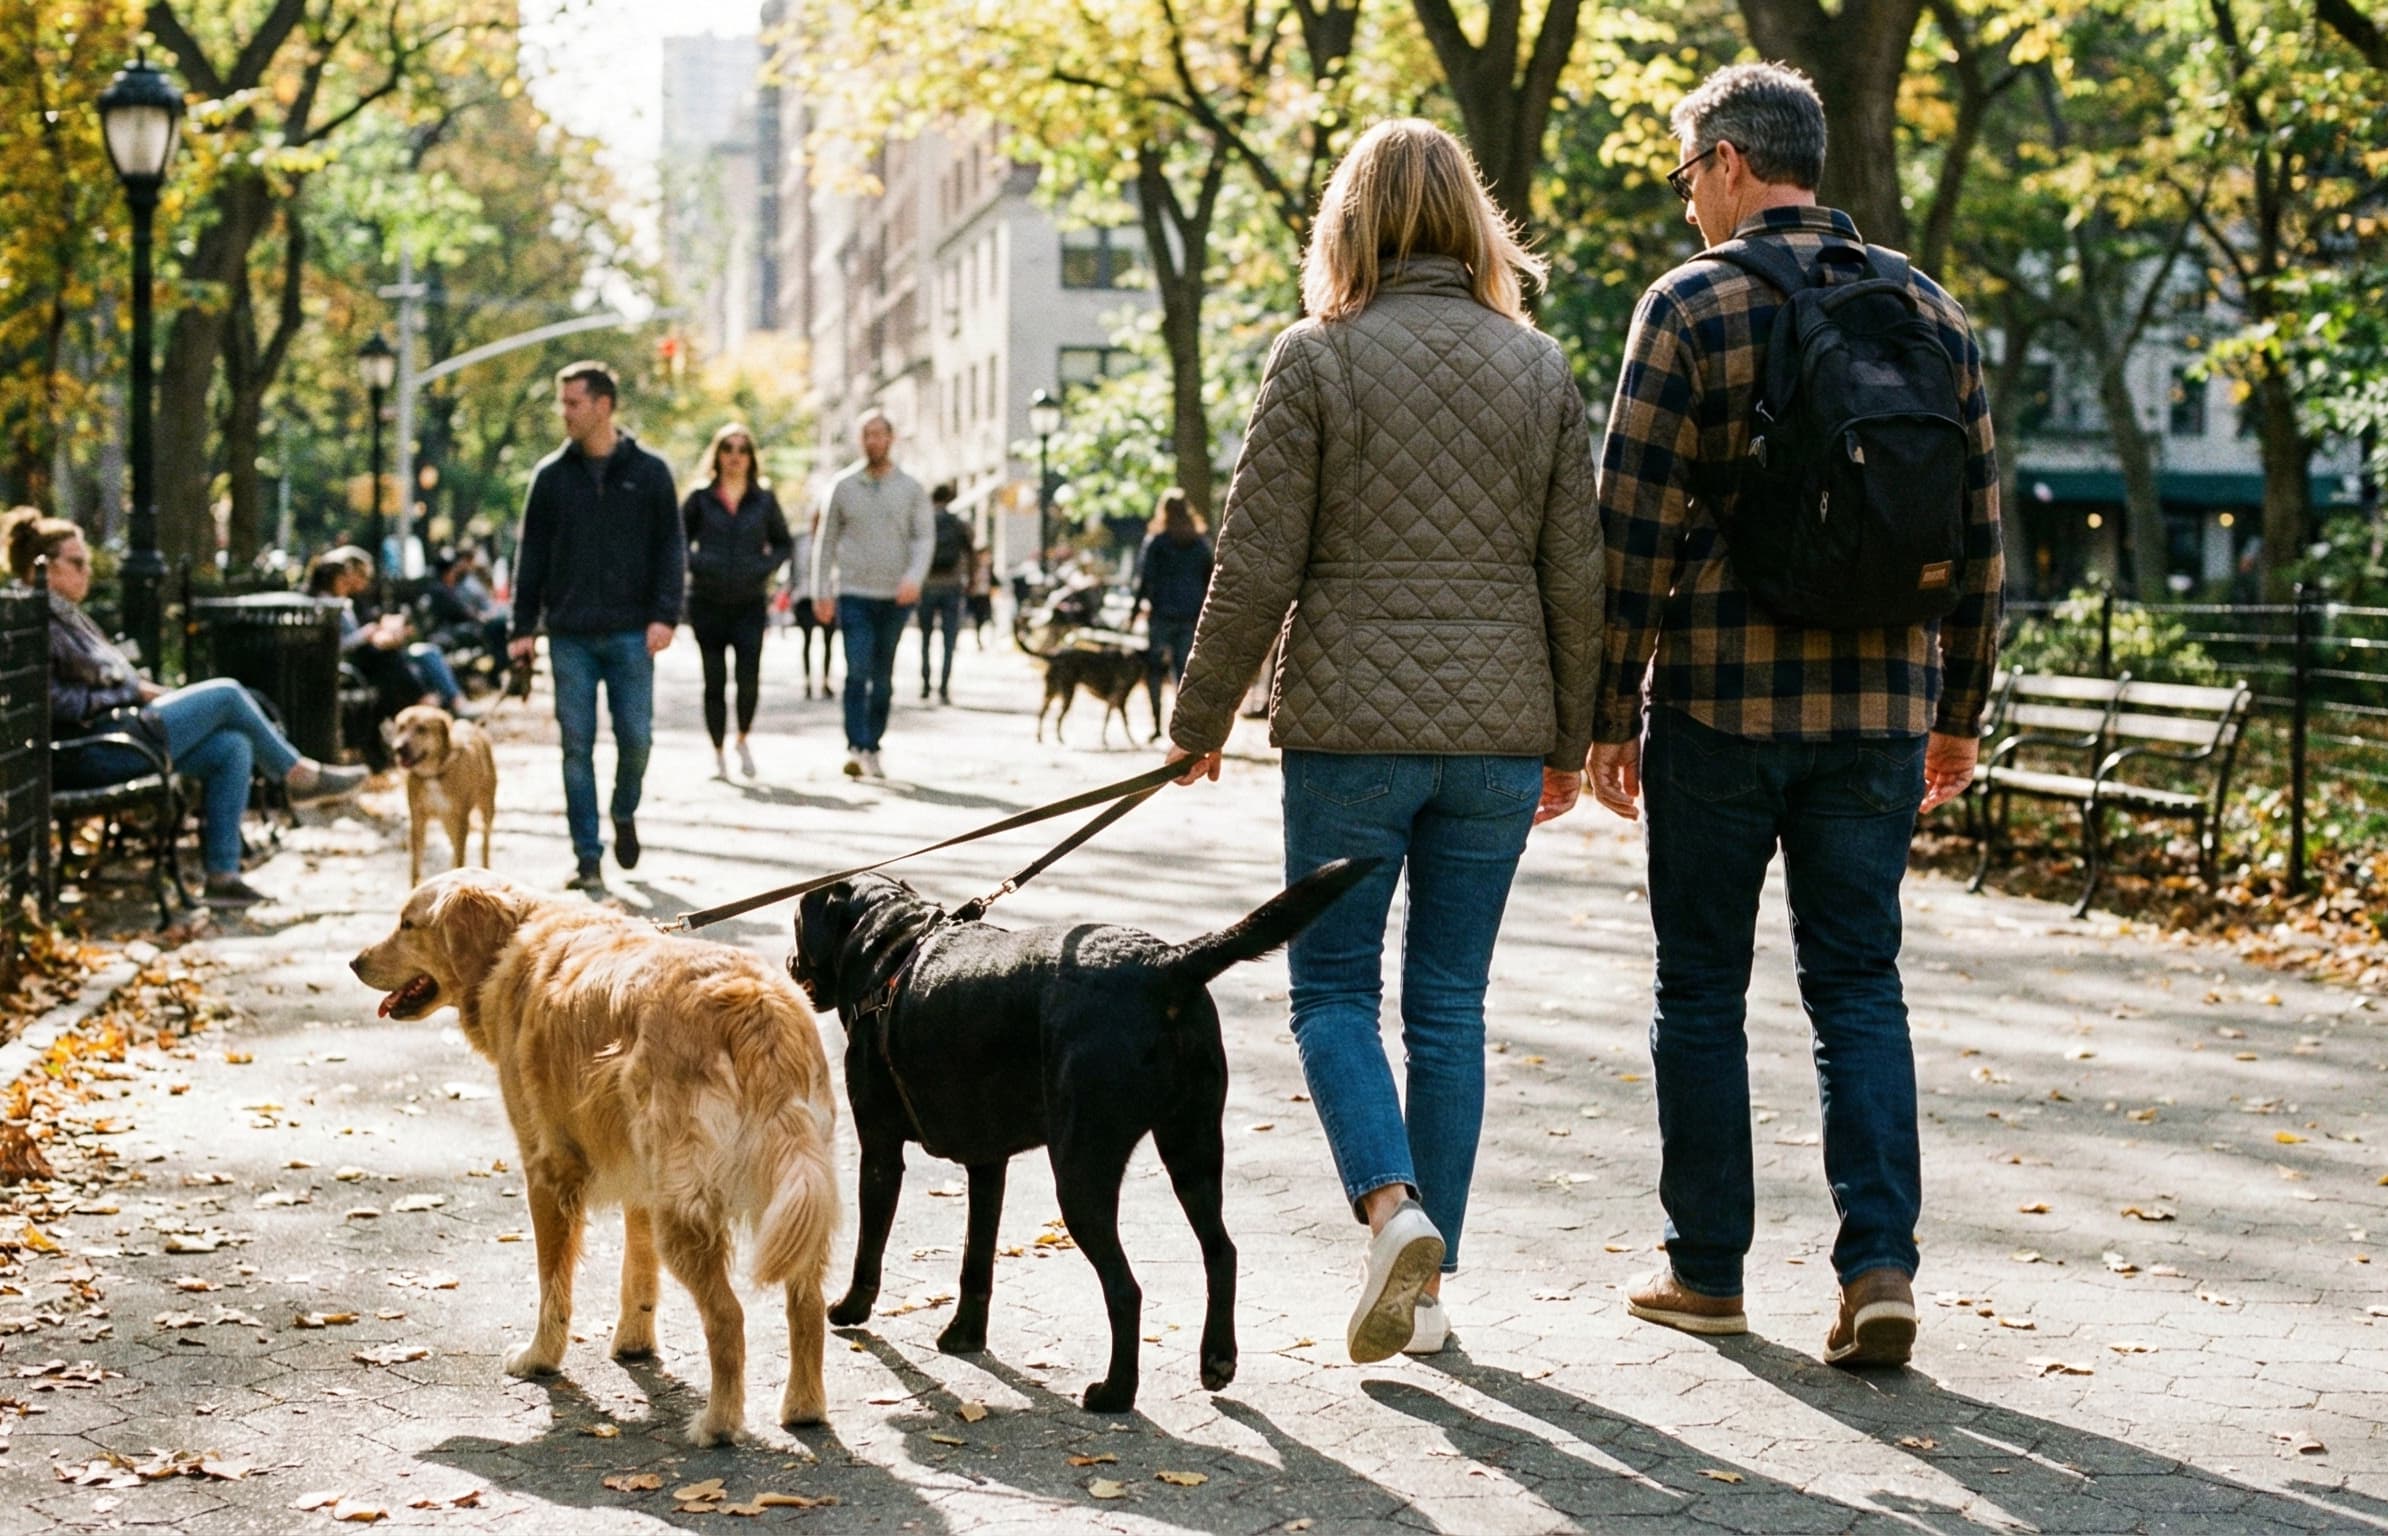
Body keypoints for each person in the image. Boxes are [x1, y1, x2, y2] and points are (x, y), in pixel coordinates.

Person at [1163, 119, 1602, 1363]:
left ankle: (1392, 1210)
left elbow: (1257, 562)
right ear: (1475, 224)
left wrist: (1200, 721)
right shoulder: (1540, 369)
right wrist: (1572, 737)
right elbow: (1576, 574)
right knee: (1450, 1004)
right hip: (1500, 732)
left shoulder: (1316, 359)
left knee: (1332, 992)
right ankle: (1430, 1288)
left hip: (1350, 727)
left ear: (1347, 223)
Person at [1587, 63, 2004, 1367]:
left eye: (1684, 175)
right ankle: (1878, 1266)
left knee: (1702, 989)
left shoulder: (1690, 304)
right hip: (1883, 710)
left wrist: (1602, 710)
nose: (1688, 200)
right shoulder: (1932, 314)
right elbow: (1982, 541)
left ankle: (1708, 1272)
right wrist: (1960, 712)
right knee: (1860, 987)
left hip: (1719, 707)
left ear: (1722, 161)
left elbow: (1629, 526)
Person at [13, 514, 366, 908]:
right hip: (93, 749)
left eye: (87, 563)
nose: (87, 572)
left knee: (231, 747)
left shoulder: (65, 616)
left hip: (120, 736)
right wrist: (124, 694)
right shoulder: (35, 618)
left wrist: (133, 690)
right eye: (77, 563)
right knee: (227, 694)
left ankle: (223, 877)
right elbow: (54, 703)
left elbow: (104, 680)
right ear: (39, 566)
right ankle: (297, 775)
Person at [508, 360, 685, 891]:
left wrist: (665, 614)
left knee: (637, 740)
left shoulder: (650, 473)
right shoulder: (550, 477)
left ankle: (623, 810)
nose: (564, 413)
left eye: (572, 403)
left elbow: (670, 549)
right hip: (570, 635)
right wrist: (521, 628)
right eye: (562, 403)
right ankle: (587, 855)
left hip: (634, 632)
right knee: (575, 746)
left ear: (603, 405)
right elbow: (530, 556)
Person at [811, 409, 932, 779]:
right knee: (856, 671)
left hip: (894, 596)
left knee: (882, 678)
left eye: (880, 434)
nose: (873, 441)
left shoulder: (911, 488)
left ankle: (873, 744)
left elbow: (923, 537)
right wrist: (820, 591)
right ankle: (855, 745)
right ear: (860, 440)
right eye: (866, 434)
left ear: (891, 439)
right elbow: (826, 540)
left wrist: (914, 578)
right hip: (854, 593)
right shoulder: (843, 486)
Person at [682, 422, 794, 779]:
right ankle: (717, 753)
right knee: (713, 681)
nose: (734, 456)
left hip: (749, 602)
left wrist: (763, 567)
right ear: (717, 454)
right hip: (707, 601)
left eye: (741, 449)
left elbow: (783, 542)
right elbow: (675, 539)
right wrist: (698, 563)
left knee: (748, 680)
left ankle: (742, 739)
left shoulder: (763, 498)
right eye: (727, 448)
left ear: (750, 457)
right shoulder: (700, 497)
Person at [305, 548, 469, 722]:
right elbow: (338, 643)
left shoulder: (345, 601)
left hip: (369, 654)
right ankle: (428, 705)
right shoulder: (328, 606)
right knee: (391, 659)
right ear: (331, 580)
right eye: (345, 580)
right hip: (358, 661)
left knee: (424, 653)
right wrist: (367, 634)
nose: (350, 583)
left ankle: (442, 703)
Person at [1131, 487, 1213, 690]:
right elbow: (1210, 579)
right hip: (1191, 615)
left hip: (1161, 614)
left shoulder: (1157, 542)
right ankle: (1180, 717)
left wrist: (1134, 612)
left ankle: (1156, 717)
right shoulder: (1200, 544)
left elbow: (1145, 579)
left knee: (1155, 669)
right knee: (1183, 670)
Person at [916, 482, 972, 703]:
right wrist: (972, 580)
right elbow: (971, 552)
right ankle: (944, 687)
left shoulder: (924, 522)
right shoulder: (958, 523)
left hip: (927, 585)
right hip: (952, 585)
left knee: (926, 638)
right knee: (949, 639)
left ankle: (926, 683)